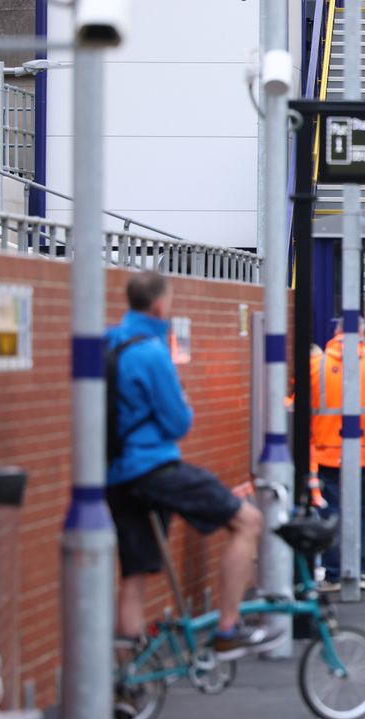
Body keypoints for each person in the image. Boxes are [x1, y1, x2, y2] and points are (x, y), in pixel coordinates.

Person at [106, 271, 274, 660]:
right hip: (154, 468)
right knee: (247, 521)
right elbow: (178, 422)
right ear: (161, 305)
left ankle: (127, 683)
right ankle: (228, 628)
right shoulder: (150, 351)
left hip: (115, 474)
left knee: (134, 577)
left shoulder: (107, 341)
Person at [311, 316, 365, 592]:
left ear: (335, 333)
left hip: (327, 453)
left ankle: (334, 573)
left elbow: (299, 407)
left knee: (332, 512)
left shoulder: (316, 366)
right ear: (362, 332)